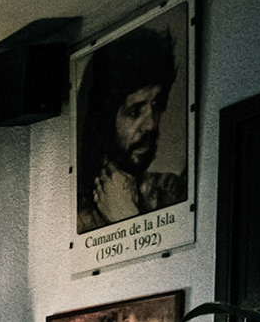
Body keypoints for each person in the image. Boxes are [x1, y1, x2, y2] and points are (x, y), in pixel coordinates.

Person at [76, 23, 186, 234]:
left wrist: (127, 216)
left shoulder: (171, 190)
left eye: (156, 105)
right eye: (134, 112)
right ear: (105, 120)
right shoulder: (77, 213)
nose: (151, 124)